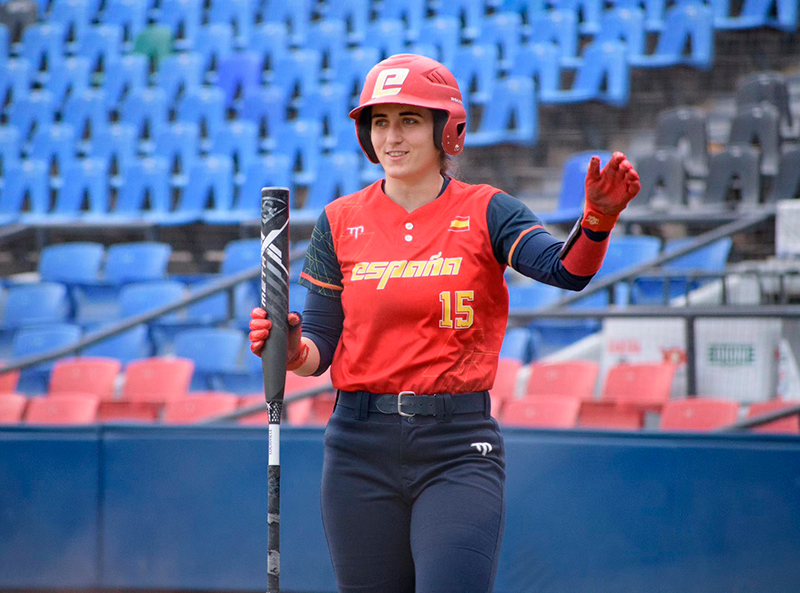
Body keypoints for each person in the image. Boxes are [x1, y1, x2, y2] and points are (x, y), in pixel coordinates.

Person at [249, 53, 640, 593]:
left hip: (458, 448)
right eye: (380, 122)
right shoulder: (339, 221)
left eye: (409, 120)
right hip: (358, 448)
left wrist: (596, 221)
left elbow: (563, 270)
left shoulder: (488, 209)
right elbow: (317, 350)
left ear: (445, 130)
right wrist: (290, 348)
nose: (392, 137)